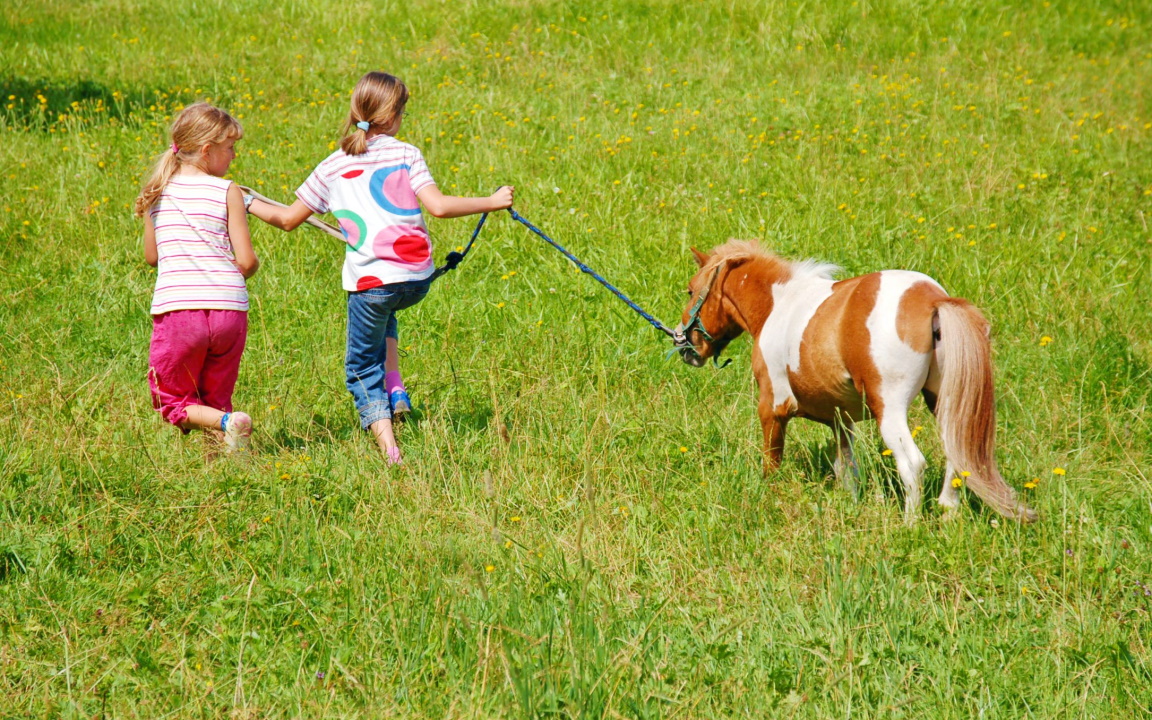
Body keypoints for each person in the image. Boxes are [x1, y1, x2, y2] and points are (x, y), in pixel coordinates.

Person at [248, 71, 513, 465]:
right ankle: (396, 387)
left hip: (371, 284)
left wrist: (247, 202)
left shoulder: (332, 165)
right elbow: (439, 207)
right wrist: (492, 200)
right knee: (385, 311)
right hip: (415, 281)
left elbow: (287, 219)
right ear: (393, 116)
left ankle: (390, 450)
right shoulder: (406, 153)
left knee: (360, 364)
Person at [136, 102, 258, 452]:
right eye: (230, 148)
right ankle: (221, 461)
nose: (234, 155)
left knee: (172, 401)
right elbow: (247, 261)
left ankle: (227, 424)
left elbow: (151, 257)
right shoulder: (227, 190)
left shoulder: (157, 192)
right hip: (229, 311)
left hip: (179, 311)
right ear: (207, 150)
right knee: (216, 397)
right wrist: (230, 276)